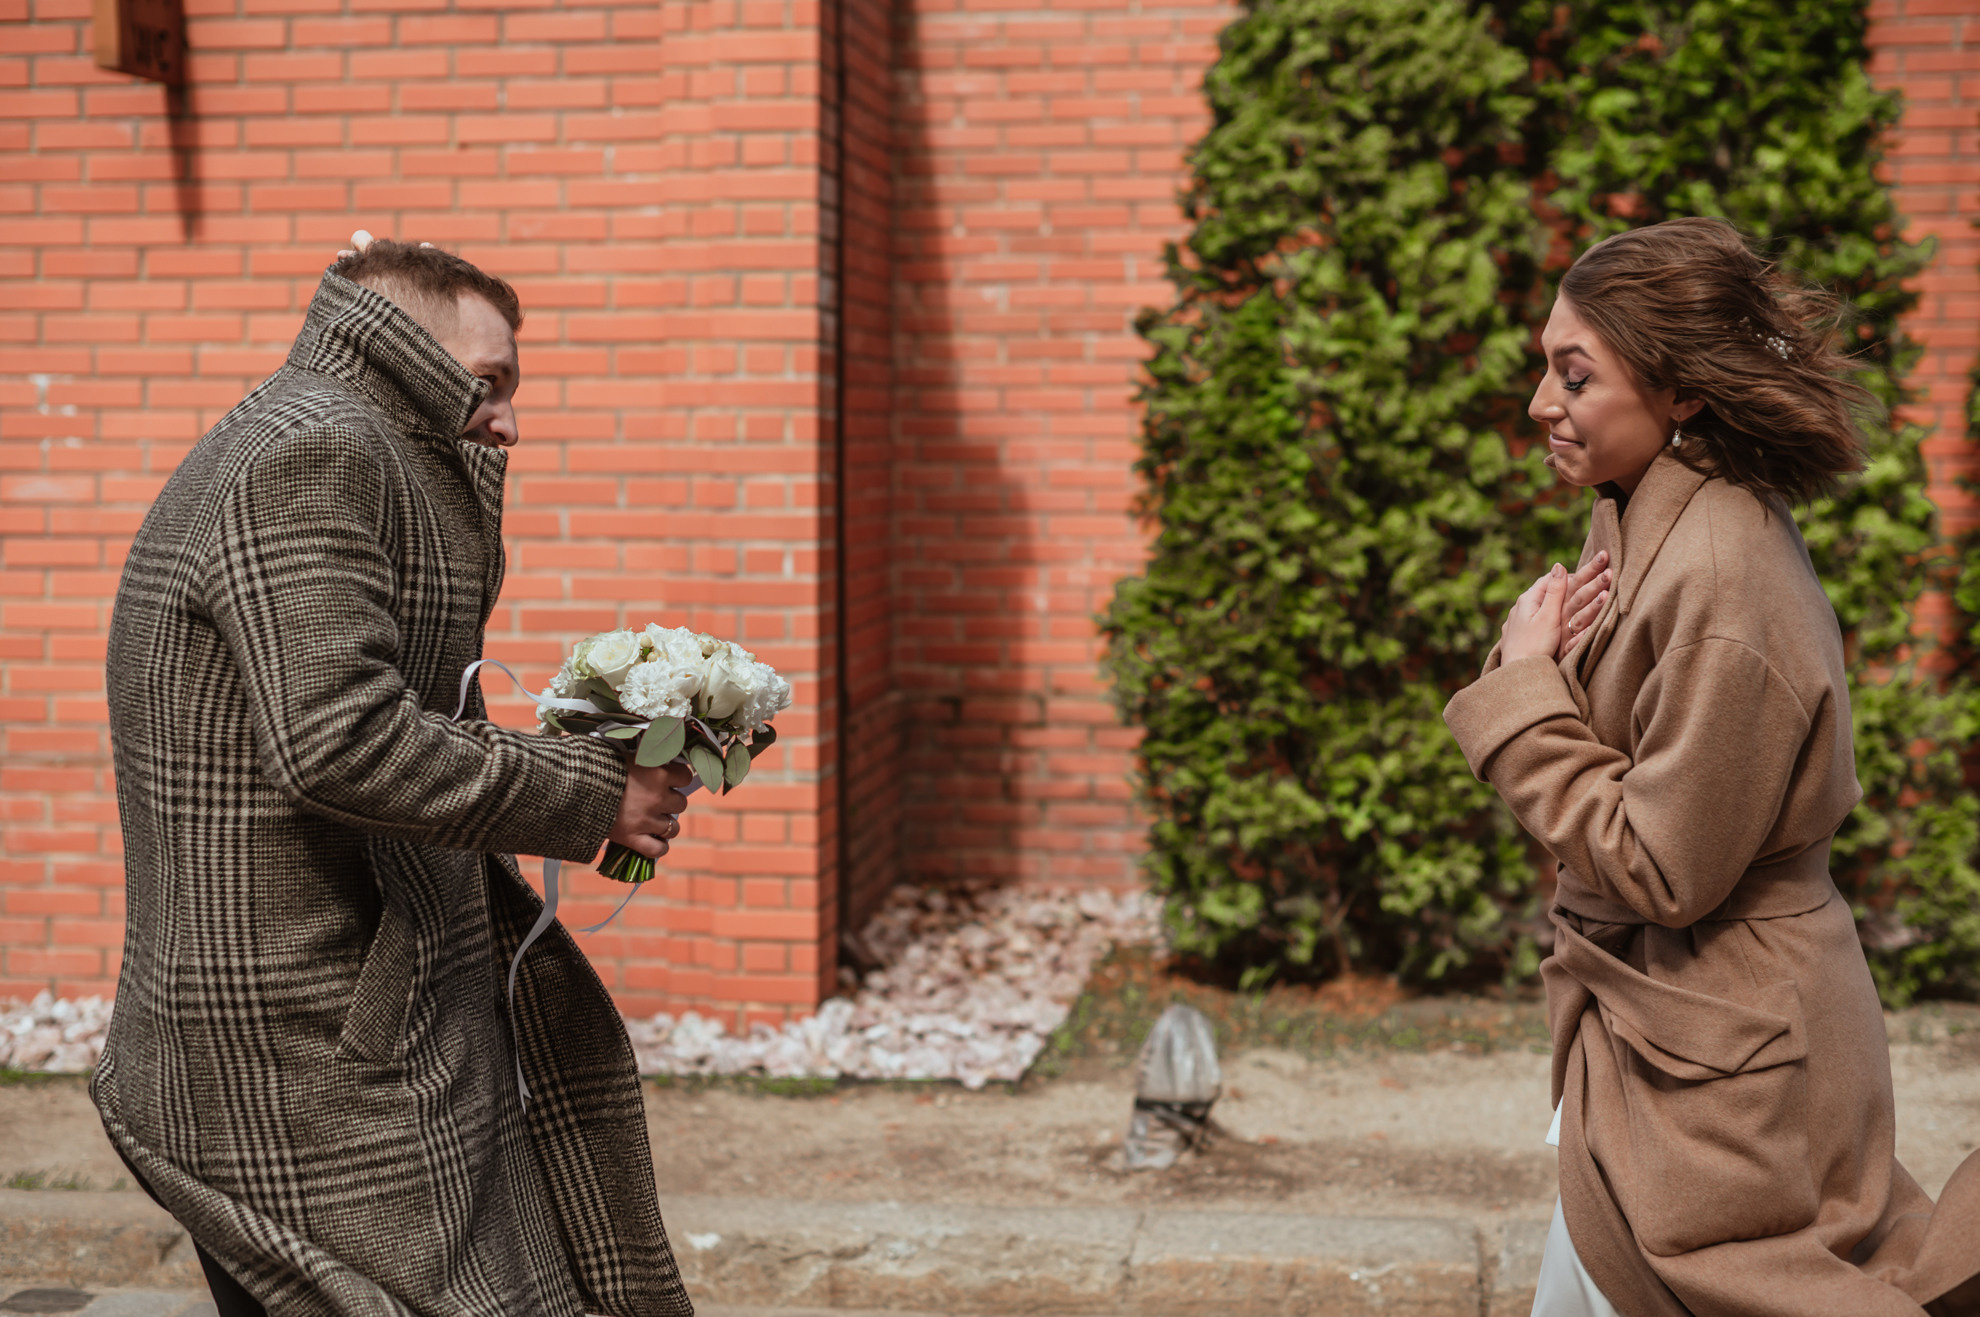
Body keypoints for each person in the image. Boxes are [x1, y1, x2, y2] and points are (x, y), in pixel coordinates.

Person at [95, 238, 696, 1317]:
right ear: (404, 345)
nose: (509, 419)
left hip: (340, 1009)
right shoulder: (314, 451)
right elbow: (341, 738)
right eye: (491, 381)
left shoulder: (324, 435)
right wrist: (594, 793)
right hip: (304, 1034)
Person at [1443, 217, 1980, 1317]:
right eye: (1546, 364)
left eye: (1573, 373)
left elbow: (1662, 864)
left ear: (1681, 395)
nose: (1541, 401)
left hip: (1728, 1061)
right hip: (1672, 1032)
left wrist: (1520, 693)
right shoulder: (1637, 520)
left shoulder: (1722, 576)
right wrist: (1534, 667)